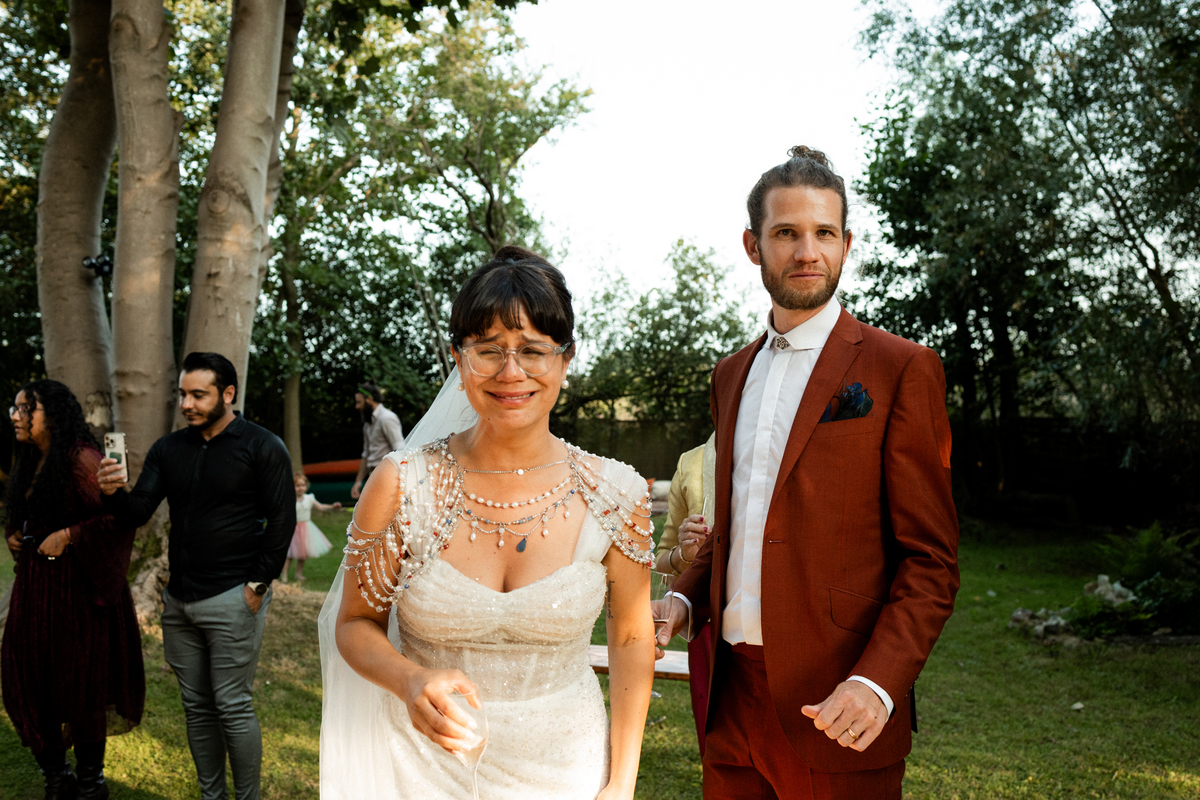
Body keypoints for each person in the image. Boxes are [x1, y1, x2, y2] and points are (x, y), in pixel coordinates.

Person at [653, 146, 960, 799]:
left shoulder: (901, 368)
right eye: (786, 233)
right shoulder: (731, 374)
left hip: (838, 702)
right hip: (730, 701)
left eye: (824, 233)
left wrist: (877, 682)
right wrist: (682, 598)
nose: (806, 251)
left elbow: (931, 562)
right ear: (753, 245)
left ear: (846, 244)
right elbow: (739, 523)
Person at [318, 246, 657, 800]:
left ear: (566, 360)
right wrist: (409, 679)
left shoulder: (617, 494)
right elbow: (355, 623)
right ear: (459, 359)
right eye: (488, 350)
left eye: (533, 350)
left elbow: (632, 636)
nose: (511, 372)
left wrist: (622, 780)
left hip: (568, 769)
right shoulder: (402, 486)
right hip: (422, 766)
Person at [97, 352, 295, 800]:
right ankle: (212, 796)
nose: (187, 404)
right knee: (197, 707)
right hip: (178, 602)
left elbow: (282, 522)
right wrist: (113, 493)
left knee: (232, 705)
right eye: (183, 394)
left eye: (198, 395)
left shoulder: (262, 446)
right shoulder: (168, 449)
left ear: (228, 394)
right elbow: (137, 512)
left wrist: (256, 586)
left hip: (233, 597)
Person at [3, 380, 145, 800]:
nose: (15, 416)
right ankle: (56, 778)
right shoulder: (32, 460)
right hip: (36, 591)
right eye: (14, 408)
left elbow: (119, 519)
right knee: (31, 680)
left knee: (79, 686)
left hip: (79, 597)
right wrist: (16, 533)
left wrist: (69, 535)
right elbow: (31, 514)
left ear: (52, 414)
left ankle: (89, 784)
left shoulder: (82, 459)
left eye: (25, 408)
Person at [653, 432, 715, 754]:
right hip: (707, 626)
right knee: (717, 746)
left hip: (782, 623)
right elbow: (661, 559)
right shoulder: (692, 462)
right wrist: (685, 554)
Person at [281, 471, 339, 584]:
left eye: (303, 485)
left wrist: (332, 507)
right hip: (293, 529)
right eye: (297, 486)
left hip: (306, 528)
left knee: (303, 554)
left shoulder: (309, 498)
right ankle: (284, 574)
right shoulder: (290, 499)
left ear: (306, 486)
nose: (300, 488)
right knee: (290, 554)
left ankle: (298, 574)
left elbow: (320, 507)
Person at [350, 383, 404, 500]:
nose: (356, 406)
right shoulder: (367, 424)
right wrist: (358, 482)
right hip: (373, 477)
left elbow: (400, 450)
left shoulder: (387, 418)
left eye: (359, 402)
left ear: (369, 399)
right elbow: (366, 455)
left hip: (387, 477)